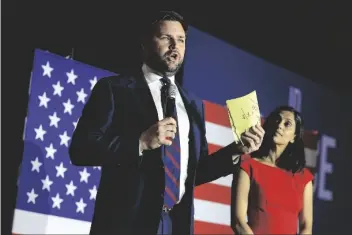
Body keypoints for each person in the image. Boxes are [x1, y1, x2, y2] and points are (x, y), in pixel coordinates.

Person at [69, 10, 265, 235]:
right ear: (145, 43)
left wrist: (236, 150)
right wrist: (140, 143)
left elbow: (196, 172)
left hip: (174, 224)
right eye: (166, 38)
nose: (175, 46)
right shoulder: (114, 89)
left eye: (181, 40)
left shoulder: (192, 103)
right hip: (126, 224)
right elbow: (81, 150)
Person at [232, 106, 314, 235]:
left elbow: (306, 227)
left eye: (287, 124)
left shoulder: (304, 178)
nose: (280, 125)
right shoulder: (248, 166)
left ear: (294, 137)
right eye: (277, 120)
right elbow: (238, 221)